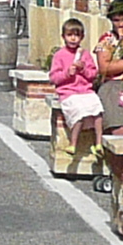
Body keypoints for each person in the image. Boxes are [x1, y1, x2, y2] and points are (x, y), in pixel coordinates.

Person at [48, 17, 104, 168]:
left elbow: (93, 74)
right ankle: (73, 143)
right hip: (69, 92)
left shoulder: (85, 55)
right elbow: (54, 78)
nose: (73, 38)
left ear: (82, 37)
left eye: (77, 35)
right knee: (78, 111)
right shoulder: (59, 55)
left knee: (97, 109)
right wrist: (68, 73)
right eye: (69, 35)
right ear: (63, 36)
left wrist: (83, 69)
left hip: (85, 90)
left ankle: (98, 142)